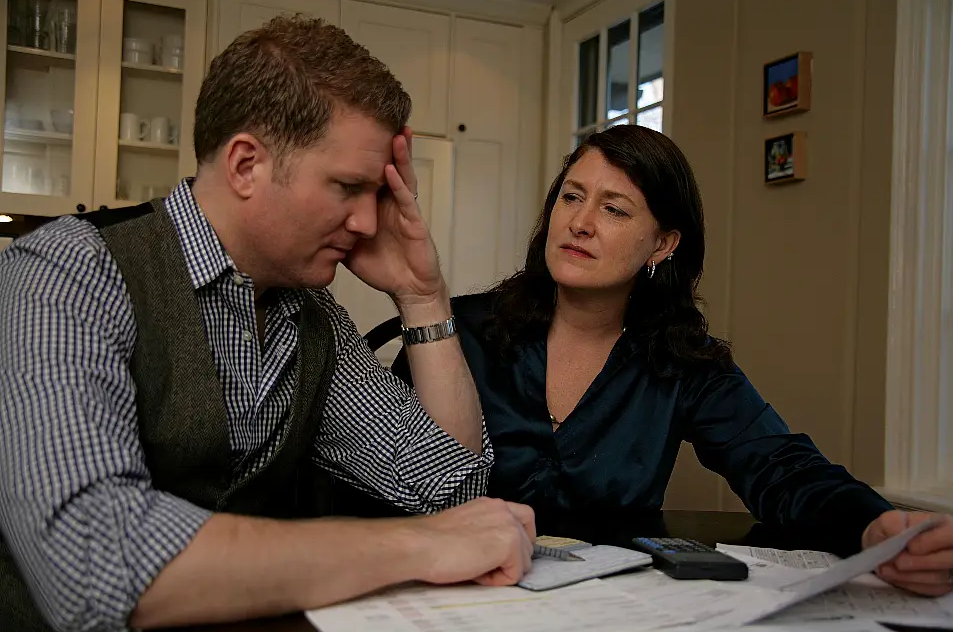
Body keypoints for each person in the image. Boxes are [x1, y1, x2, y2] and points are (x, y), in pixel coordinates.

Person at [0, 16, 536, 632]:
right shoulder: (66, 271)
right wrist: (416, 545)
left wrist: (422, 296)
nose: (367, 223)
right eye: (347, 187)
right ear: (247, 165)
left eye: (377, 195)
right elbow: (95, 564)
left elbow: (451, 491)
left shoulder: (313, 319)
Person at [392, 124, 953, 596]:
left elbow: (782, 467)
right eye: (571, 196)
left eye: (614, 209)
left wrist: (874, 525)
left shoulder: (684, 361)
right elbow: (381, 480)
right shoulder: (454, 331)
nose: (580, 222)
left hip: (610, 611)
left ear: (662, 245)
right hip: (452, 599)